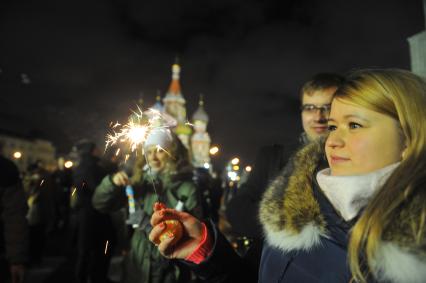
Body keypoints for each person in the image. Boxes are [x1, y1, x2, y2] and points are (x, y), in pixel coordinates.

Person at [149, 69, 426, 282]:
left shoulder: (411, 255)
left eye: (354, 125)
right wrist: (205, 249)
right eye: (333, 126)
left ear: (409, 137)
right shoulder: (295, 203)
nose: (332, 141)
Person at [224, 73, 343, 272]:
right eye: (310, 108)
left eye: (327, 107)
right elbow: (237, 209)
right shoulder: (273, 156)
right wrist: (292, 224)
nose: (318, 117)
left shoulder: (354, 159)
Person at [92, 129, 202, 283]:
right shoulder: (137, 183)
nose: (153, 157)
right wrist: (111, 184)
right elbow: (99, 204)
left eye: (159, 151)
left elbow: (197, 233)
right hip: (137, 263)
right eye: (149, 152)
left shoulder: (186, 188)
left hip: (170, 270)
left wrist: (151, 227)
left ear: (172, 153)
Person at [71, 140, 113, 283]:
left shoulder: (84, 166)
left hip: (87, 213)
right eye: (97, 149)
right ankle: (92, 277)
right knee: (91, 249)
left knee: (87, 249)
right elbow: (98, 189)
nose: (100, 150)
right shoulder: (90, 167)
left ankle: (89, 277)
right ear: (92, 151)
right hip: (92, 213)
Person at [0, 144, 29, 283]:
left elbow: (14, 216)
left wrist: (16, 259)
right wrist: (17, 259)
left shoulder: (5, 170)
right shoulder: (6, 169)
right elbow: (15, 217)